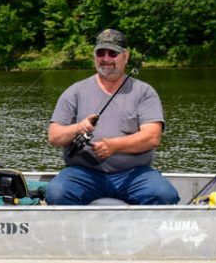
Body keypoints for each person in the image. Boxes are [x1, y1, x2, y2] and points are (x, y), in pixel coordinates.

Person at [43, 28, 179, 205]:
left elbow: (152, 137)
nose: (106, 59)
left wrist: (114, 146)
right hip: (82, 173)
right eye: (101, 53)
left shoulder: (144, 92)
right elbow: (54, 136)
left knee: (164, 195)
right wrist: (78, 127)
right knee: (56, 193)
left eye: (112, 53)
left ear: (126, 56)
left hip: (134, 173)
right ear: (94, 56)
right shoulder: (75, 91)